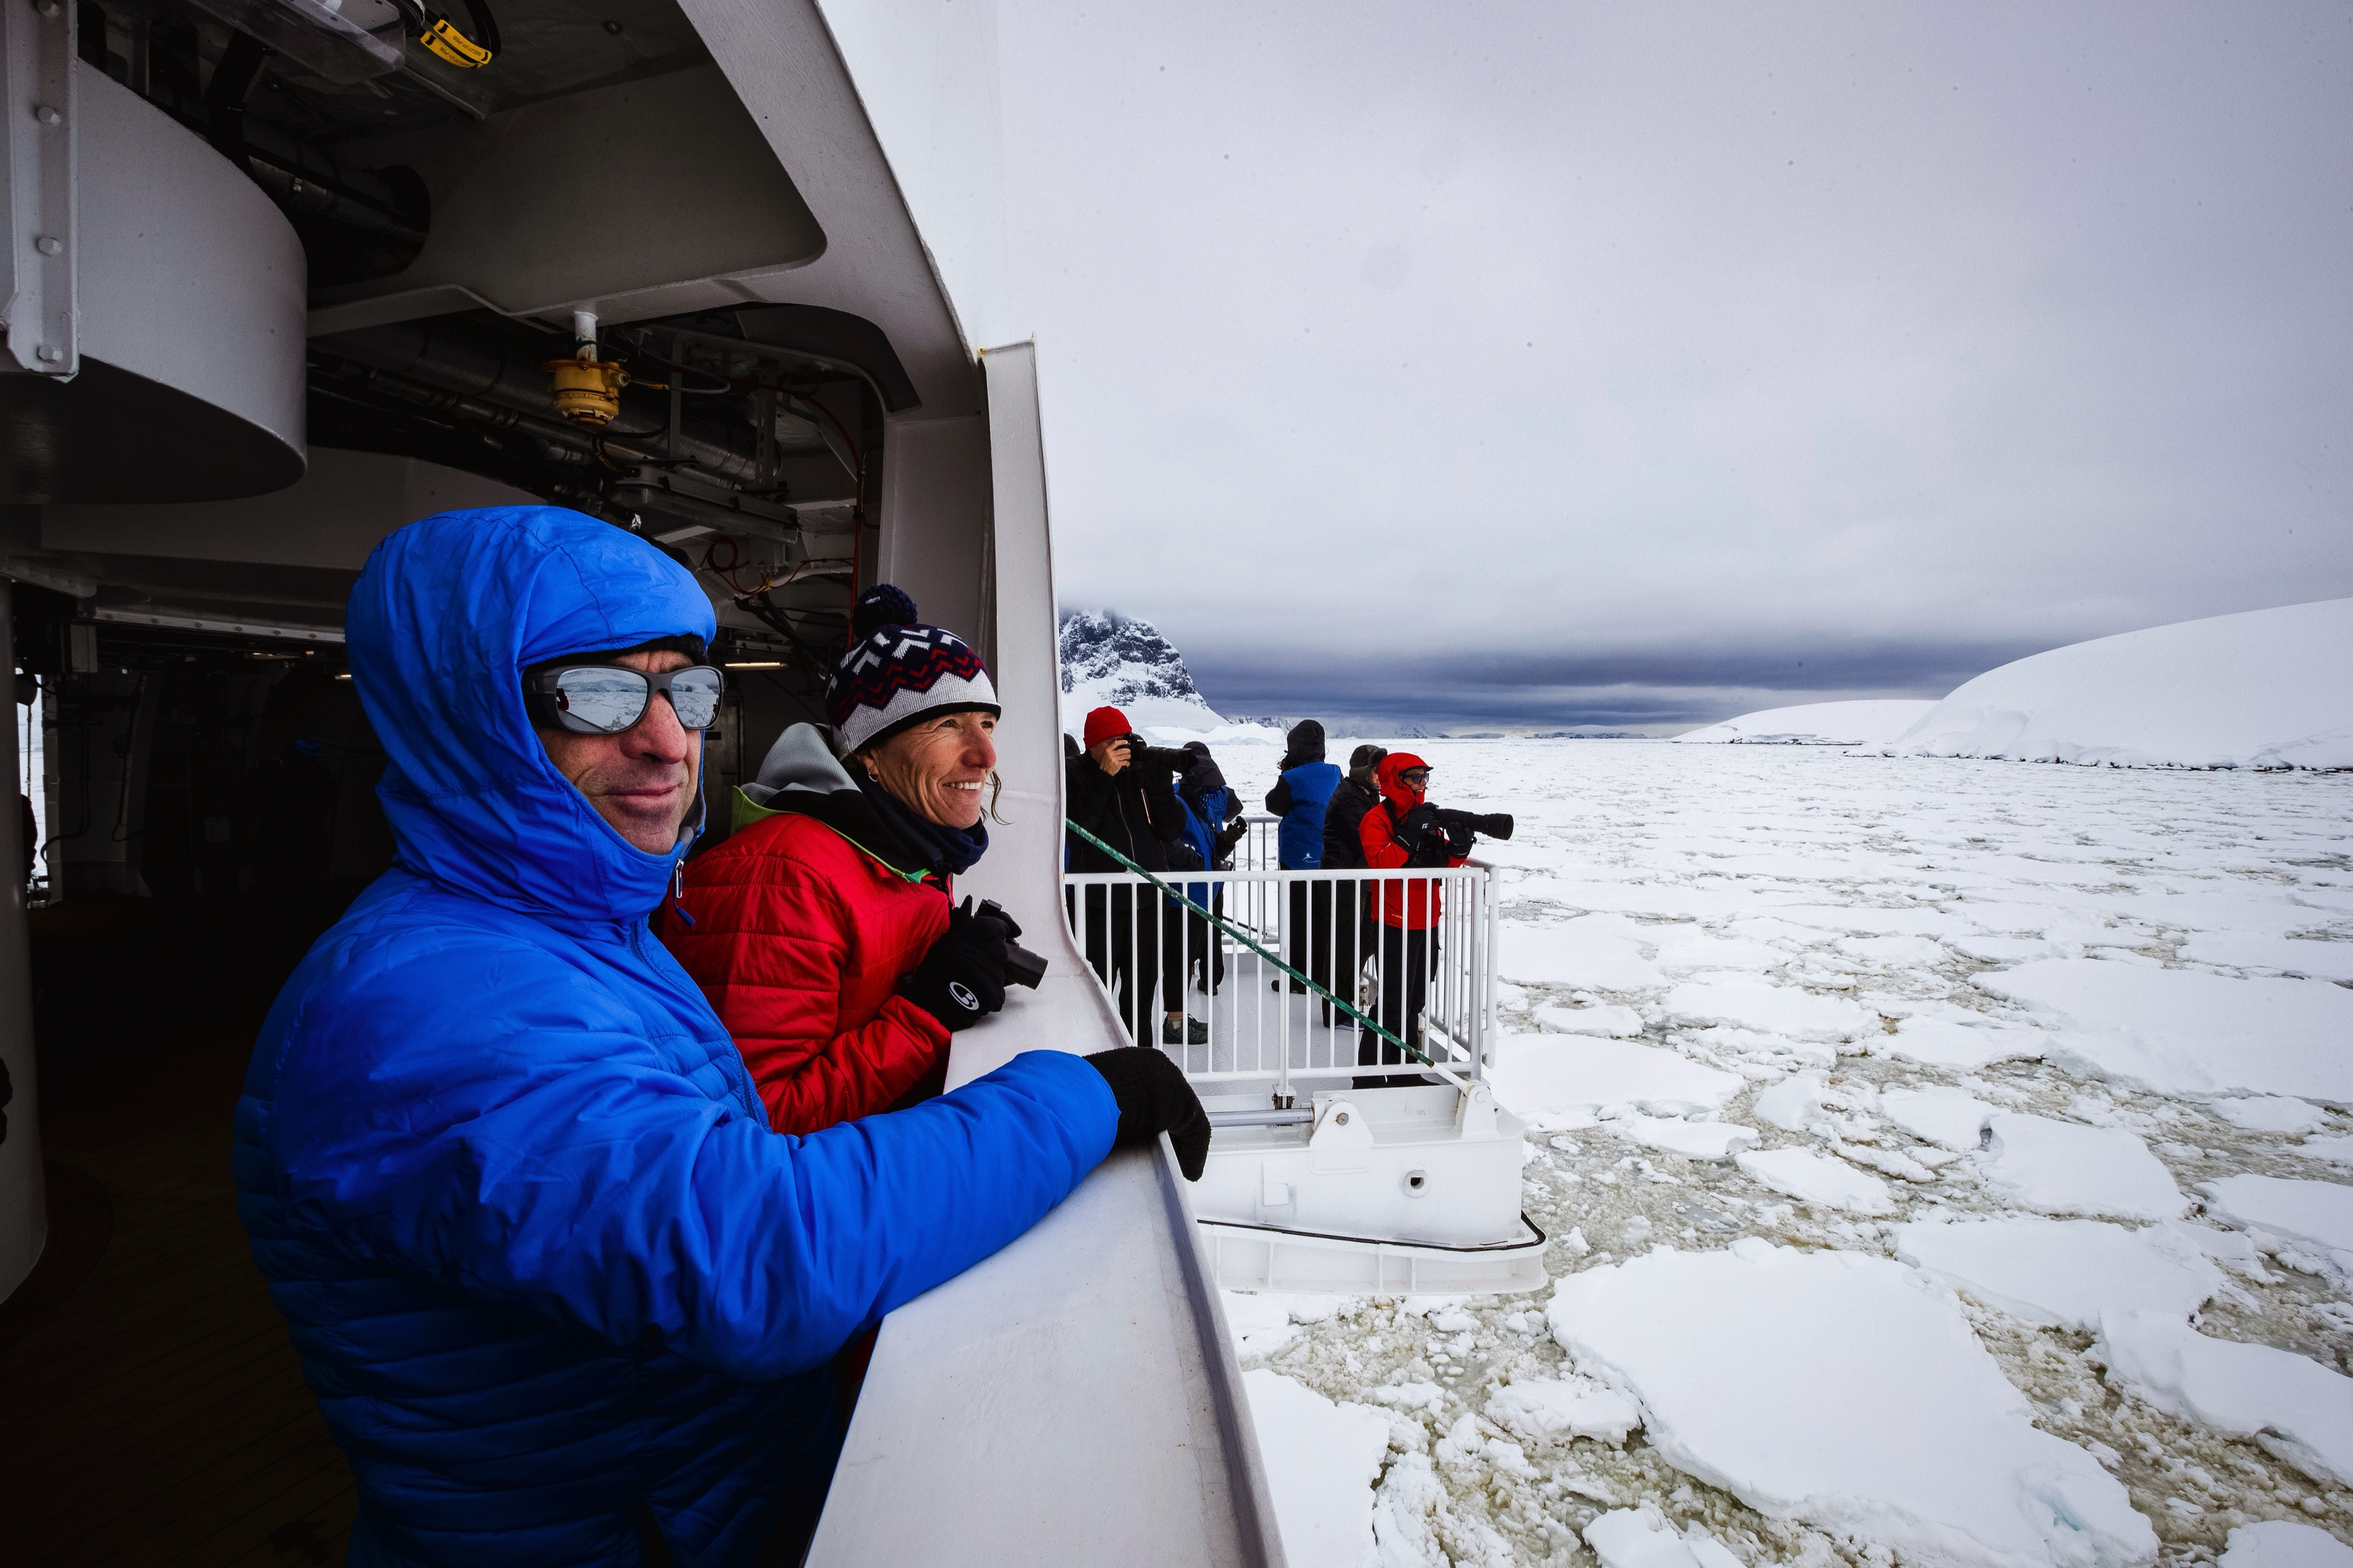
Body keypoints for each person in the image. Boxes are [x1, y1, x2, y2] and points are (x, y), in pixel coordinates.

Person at [234, 508, 1209, 1567]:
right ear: (468, 717)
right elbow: (762, 1248)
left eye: (684, 689)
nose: (665, 739)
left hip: (697, 1496)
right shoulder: (420, 1005)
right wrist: (1081, 1096)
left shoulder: (589, 927)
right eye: (596, 692)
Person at [661, 585, 1013, 1134]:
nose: (986, 755)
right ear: (869, 749)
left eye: (987, 723)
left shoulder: (905, 851)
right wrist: (931, 1009)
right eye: (948, 724)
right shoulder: (781, 881)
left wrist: (944, 958)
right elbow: (756, 1124)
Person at [1065, 705, 1205, 1045]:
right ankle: (1095, 1061)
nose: (1121, 748)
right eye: (1112, 741)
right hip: (1098, 904)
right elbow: (1078, 829)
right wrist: (1103, 777)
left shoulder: (1137, 774)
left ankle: (1140, 1060)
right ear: (1094, 744)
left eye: (1124, 739)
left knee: (1141, 994)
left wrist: (1159, 787)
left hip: (1147, 902)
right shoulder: (1074, 772)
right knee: (1094, 992)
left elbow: (1171, 830)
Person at [1358, 750, 1468, 1085]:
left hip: (1426, 920)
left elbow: (1436, 868)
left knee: (1415, 1000)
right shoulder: (1376, 820)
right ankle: (1368, 1077)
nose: (1422, 784)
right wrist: (1409, 836)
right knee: (1392, 1002)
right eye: (1415, 777)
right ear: (1395, 781)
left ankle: (1405, 1071)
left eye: (1425, 777)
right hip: (1394, 921)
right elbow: (1380, 865)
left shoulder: (1425, 819)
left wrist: (1457, 852)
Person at [1262, 719, 1339, 994]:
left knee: (1297, 918)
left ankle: (1297, 978)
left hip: (1297, 857)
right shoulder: (1335, 773)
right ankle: (1321, 976)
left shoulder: (1292, 778)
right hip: (1328, 854)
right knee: (1323, 918)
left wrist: (1288, 772)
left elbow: (1274, 804)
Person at [1318, 744, 1387, 1026]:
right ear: (1363, 771)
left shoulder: (1366, 795)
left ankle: (1344, 1002)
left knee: (1365, 940)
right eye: (1376, 769)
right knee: (1344, 944)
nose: (1381, 775)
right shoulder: (1349, 797)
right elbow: (1369, 836)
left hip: (1359, 879)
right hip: (1342, 879)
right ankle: (1336, 1012)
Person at [1173, 740, 1246, 995]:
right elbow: (1235, 806)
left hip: (1191, 880)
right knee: (1213, 926)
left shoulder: (1175, 794)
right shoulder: (1219, 795)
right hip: (1212, 876)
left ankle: (1180, 996)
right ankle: (1211, 979)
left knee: (1186, 938)